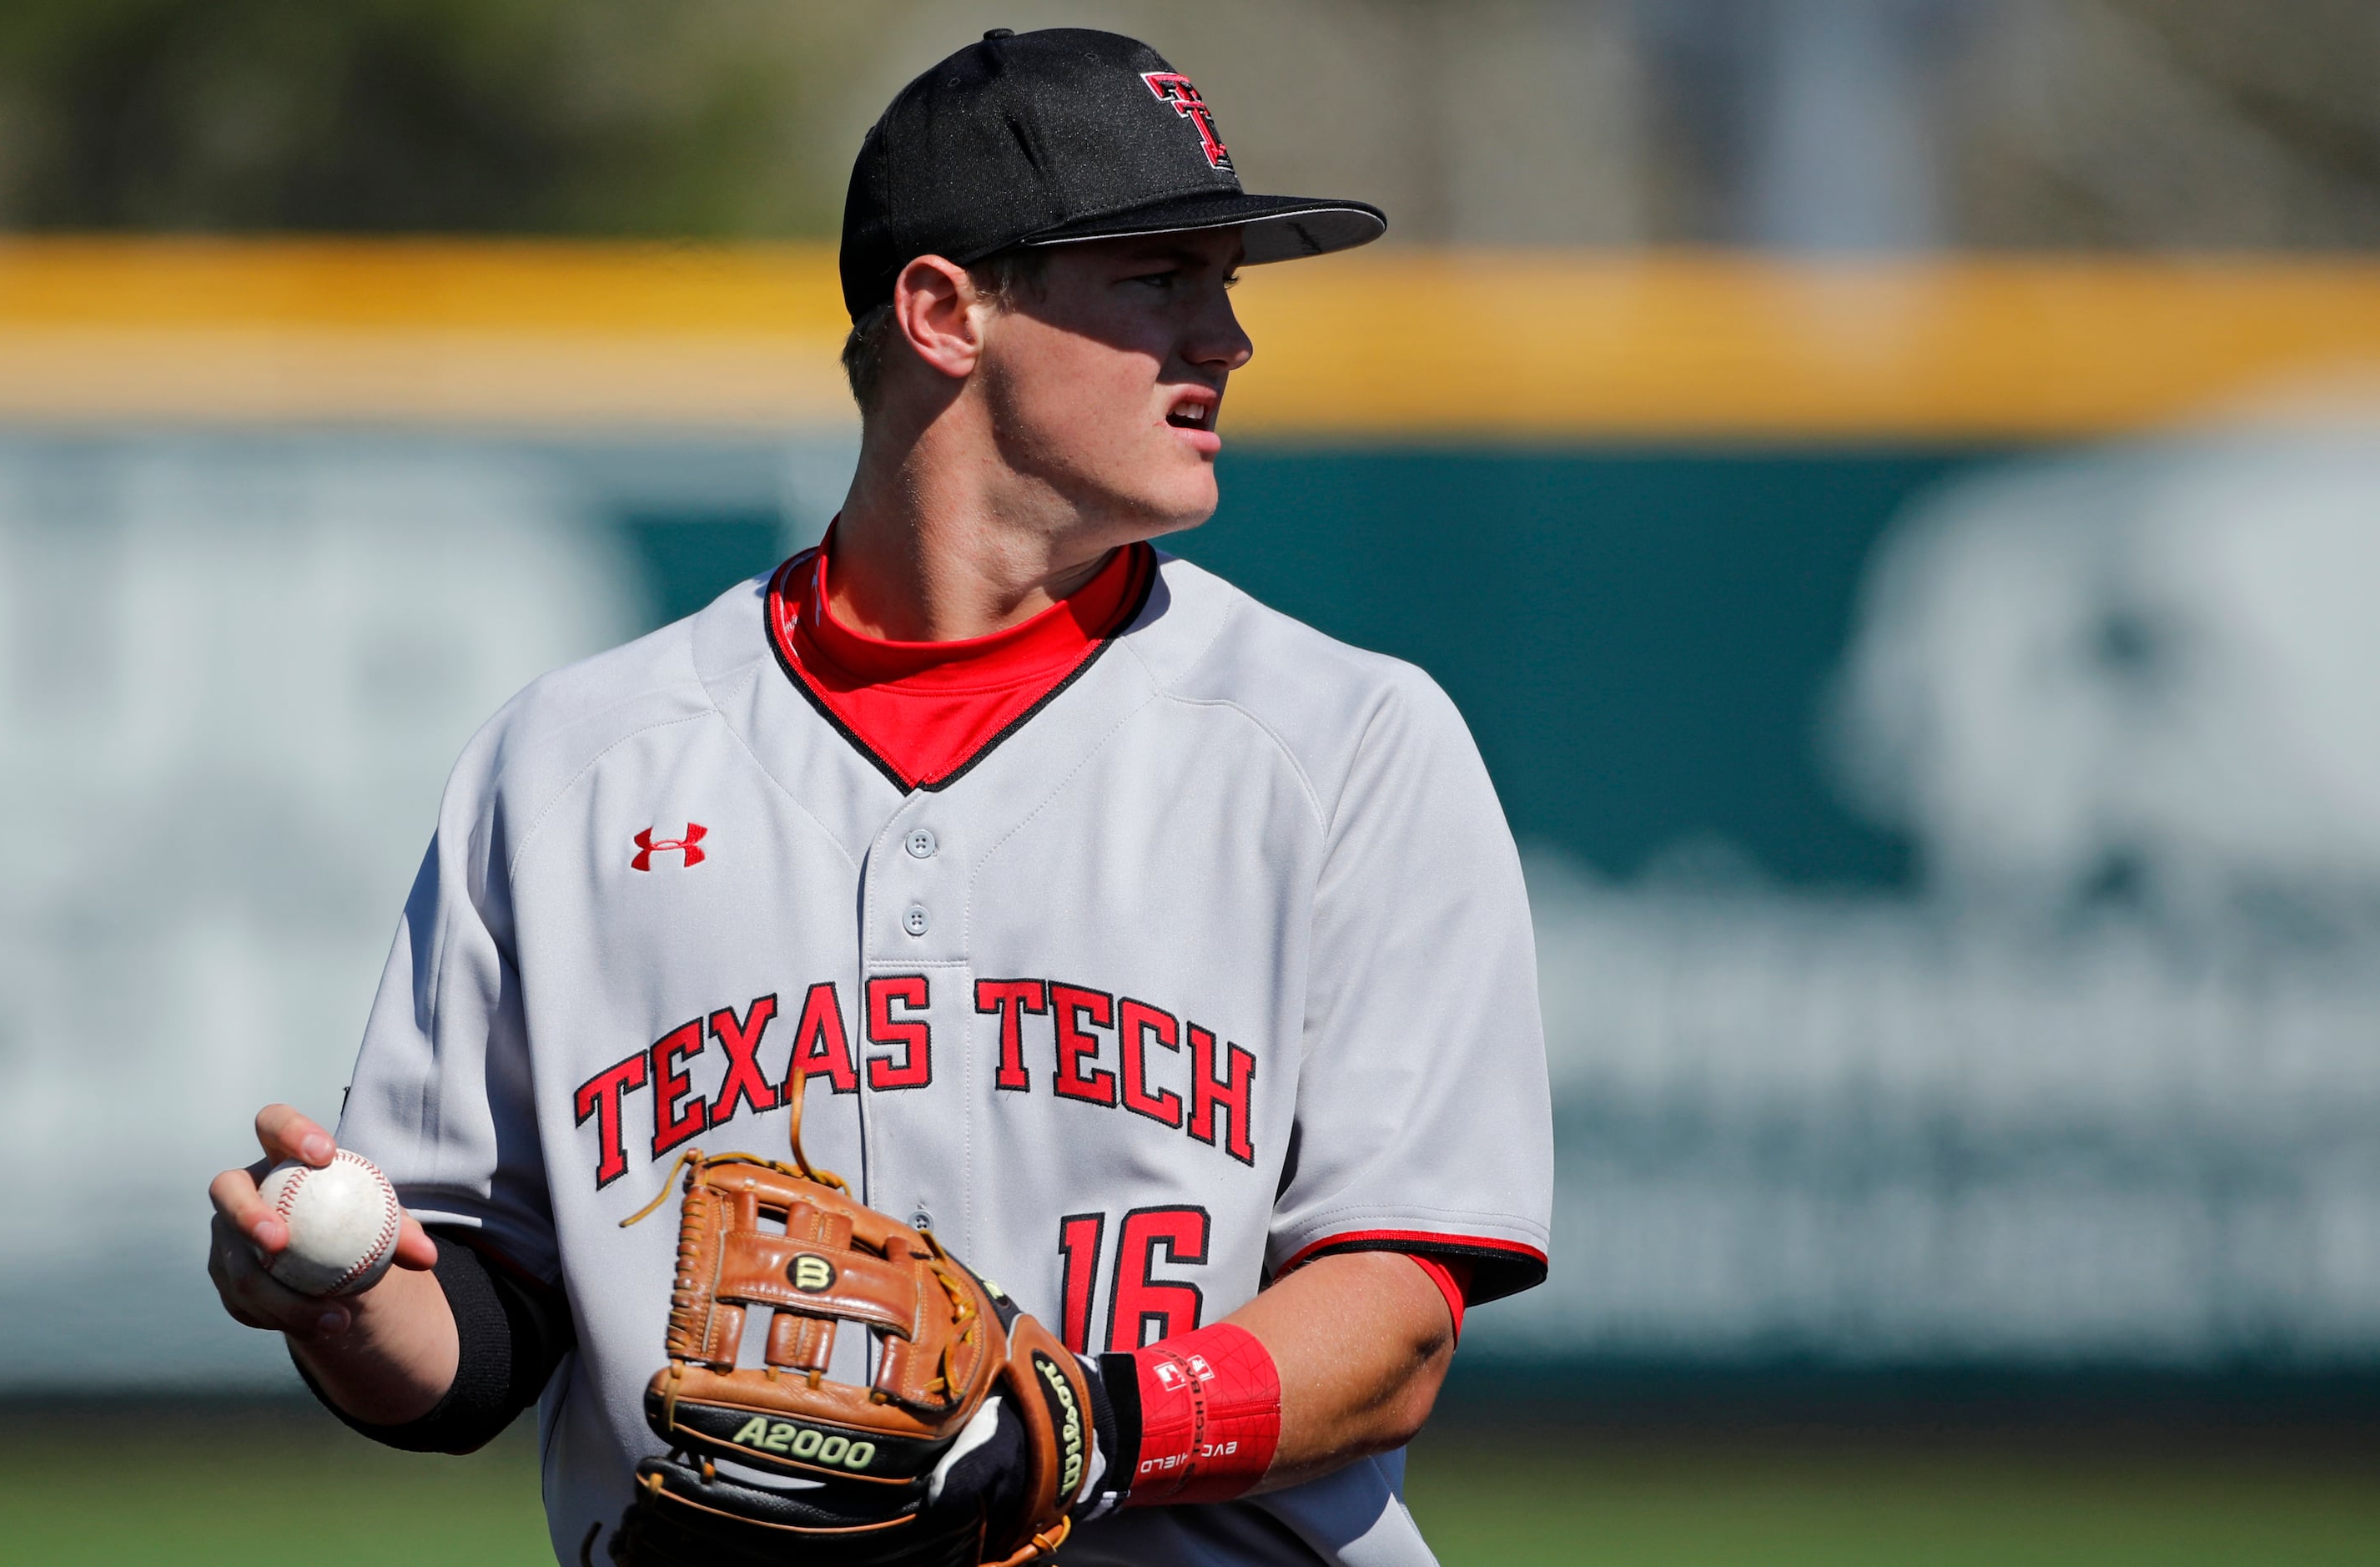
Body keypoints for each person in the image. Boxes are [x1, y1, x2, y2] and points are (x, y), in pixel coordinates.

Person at [205, 28, 1550, 1565]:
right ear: (943, 312)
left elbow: (1396, 1322)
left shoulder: (1346, 743)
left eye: (1224, 281)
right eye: (1159, 278)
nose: (1225, 337)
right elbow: (474, 1346)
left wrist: (1082, 1432)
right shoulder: (575, 762)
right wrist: (339, 1289)